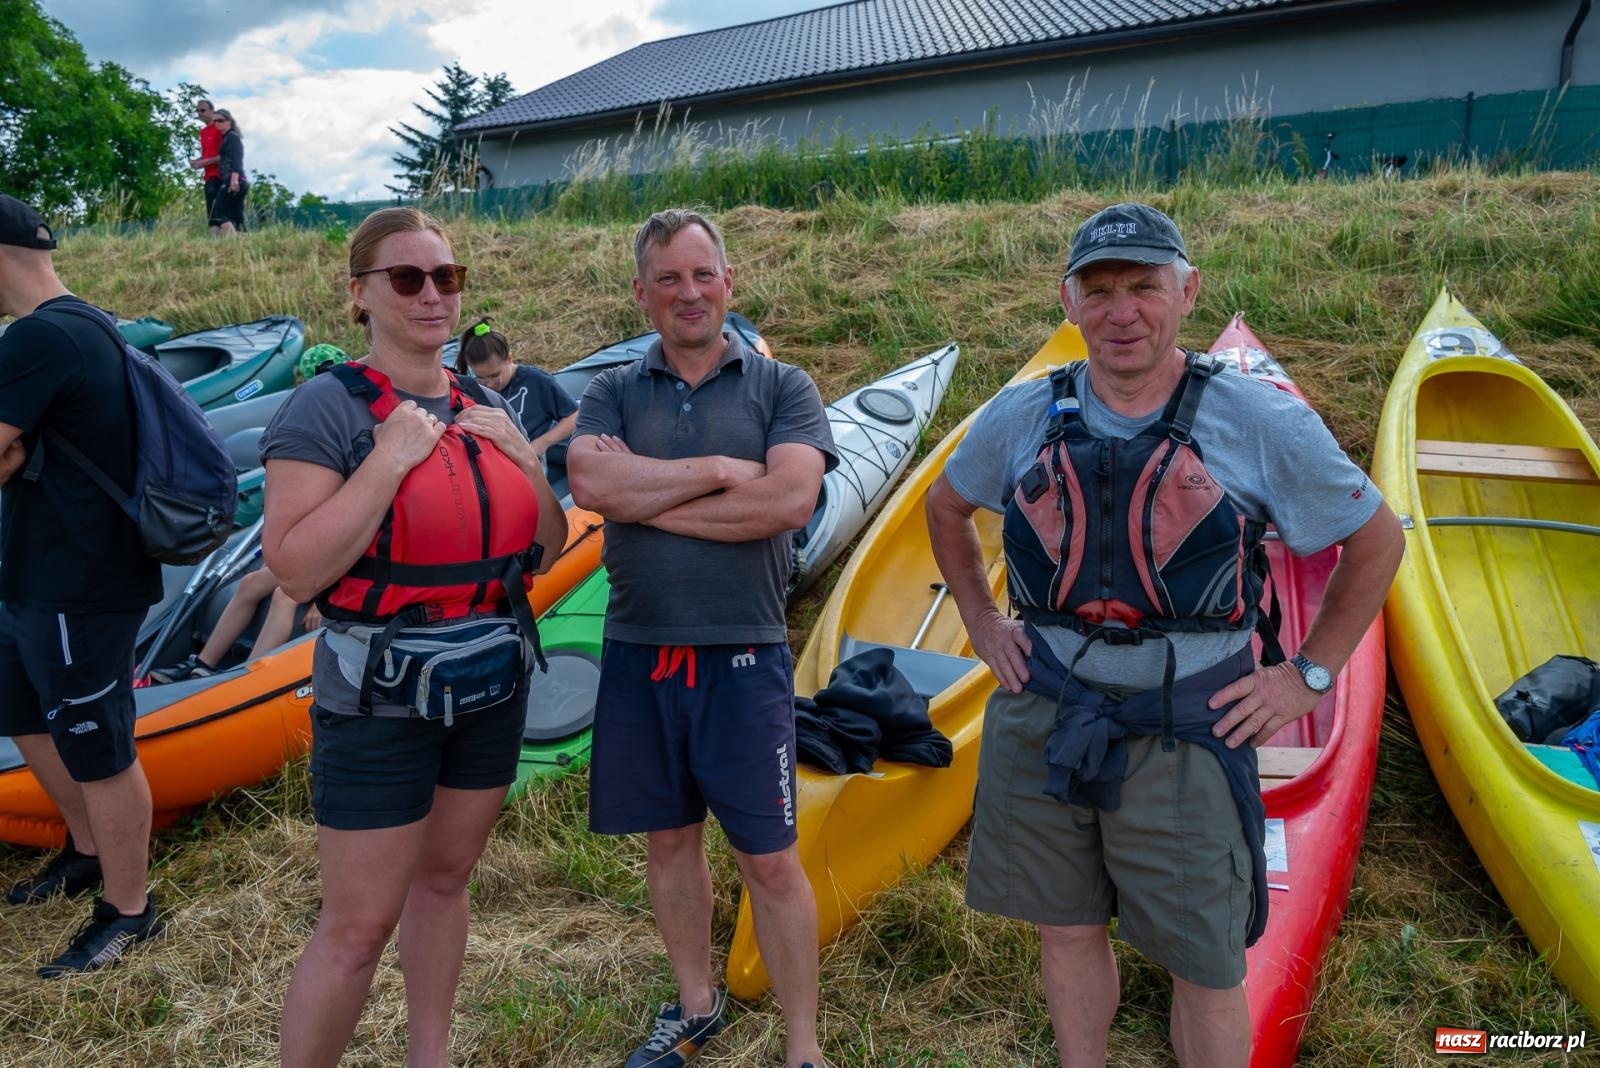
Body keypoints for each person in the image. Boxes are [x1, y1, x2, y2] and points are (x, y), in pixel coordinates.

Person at [926, 202, 1405, 1066]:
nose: (1122, 312)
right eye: (1099, 290)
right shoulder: (1023, 414)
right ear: (1066, 301)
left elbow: (1376, 539)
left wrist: (1309, 675)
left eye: (1144, 287)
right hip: (1049, 715)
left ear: (1188, 292)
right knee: (1067, 932)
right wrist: (981, 621)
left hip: (1189, 725)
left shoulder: (1257, 420)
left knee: (1207, 964)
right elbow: (946, 503)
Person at [260, 206, 566, 1067]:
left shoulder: (489, 405)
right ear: (360, 294)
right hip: (378, 700)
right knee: (358, 926)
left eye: (448, 277)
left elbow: (543, 548)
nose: (433, 295)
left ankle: (430, 1057)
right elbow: (293, 570)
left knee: (445, 880)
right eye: (408, 278)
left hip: (490, 681)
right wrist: (389, 458)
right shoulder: (324, 411)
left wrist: (529, 463)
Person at [568, 208, 836, 1068]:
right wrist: (723, 473)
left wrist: (647, 497)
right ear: (643, 293)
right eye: (669, 278)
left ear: (729, 282)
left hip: (744, 654)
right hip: (640, 651)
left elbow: (788, 504)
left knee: (771, 857)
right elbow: (590, 481)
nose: (689, 292)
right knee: (671, 842)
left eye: (703, 274)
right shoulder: (611, 390)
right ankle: (694, 1005)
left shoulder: (782, 387)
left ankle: (803, 1045)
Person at [0, 195, 165, 977]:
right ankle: (88, 850)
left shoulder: (40, 338)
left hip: (79, 579)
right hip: (36, 571)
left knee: (98, 741)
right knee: (24, 709)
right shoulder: (88, 323)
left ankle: (129, 911)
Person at [455, 316, 578, 459]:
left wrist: (541, 443)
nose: (489, 384)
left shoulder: (536, 380)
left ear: (509, 359)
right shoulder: (473, 389)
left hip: (531, 453)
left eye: (495, 375)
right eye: (481, 378)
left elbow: (574, 416)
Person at [209, 109, 247, 236]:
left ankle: (232, 243)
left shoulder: (232, 137)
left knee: (219, 212)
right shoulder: (226, 137)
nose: (217, 124)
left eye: (220, 120)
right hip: (236, 180)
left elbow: (237, 158)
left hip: (234, 179)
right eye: (214, 121)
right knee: (236, 216)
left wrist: (234, 179)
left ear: (229, 121)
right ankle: (245, 242)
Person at [189, 99, 223, 235]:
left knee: (221, 210)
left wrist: (203, 163)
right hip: (209, 176)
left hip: (221, 175)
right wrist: (197, 162)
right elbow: (207, 154)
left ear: (212, 111)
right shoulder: (203, 133)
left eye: (202, 110)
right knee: (212, 210)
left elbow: (224, 154)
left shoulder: (219, 127)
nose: (199, 113)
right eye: (197, 111)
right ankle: (215, 240)